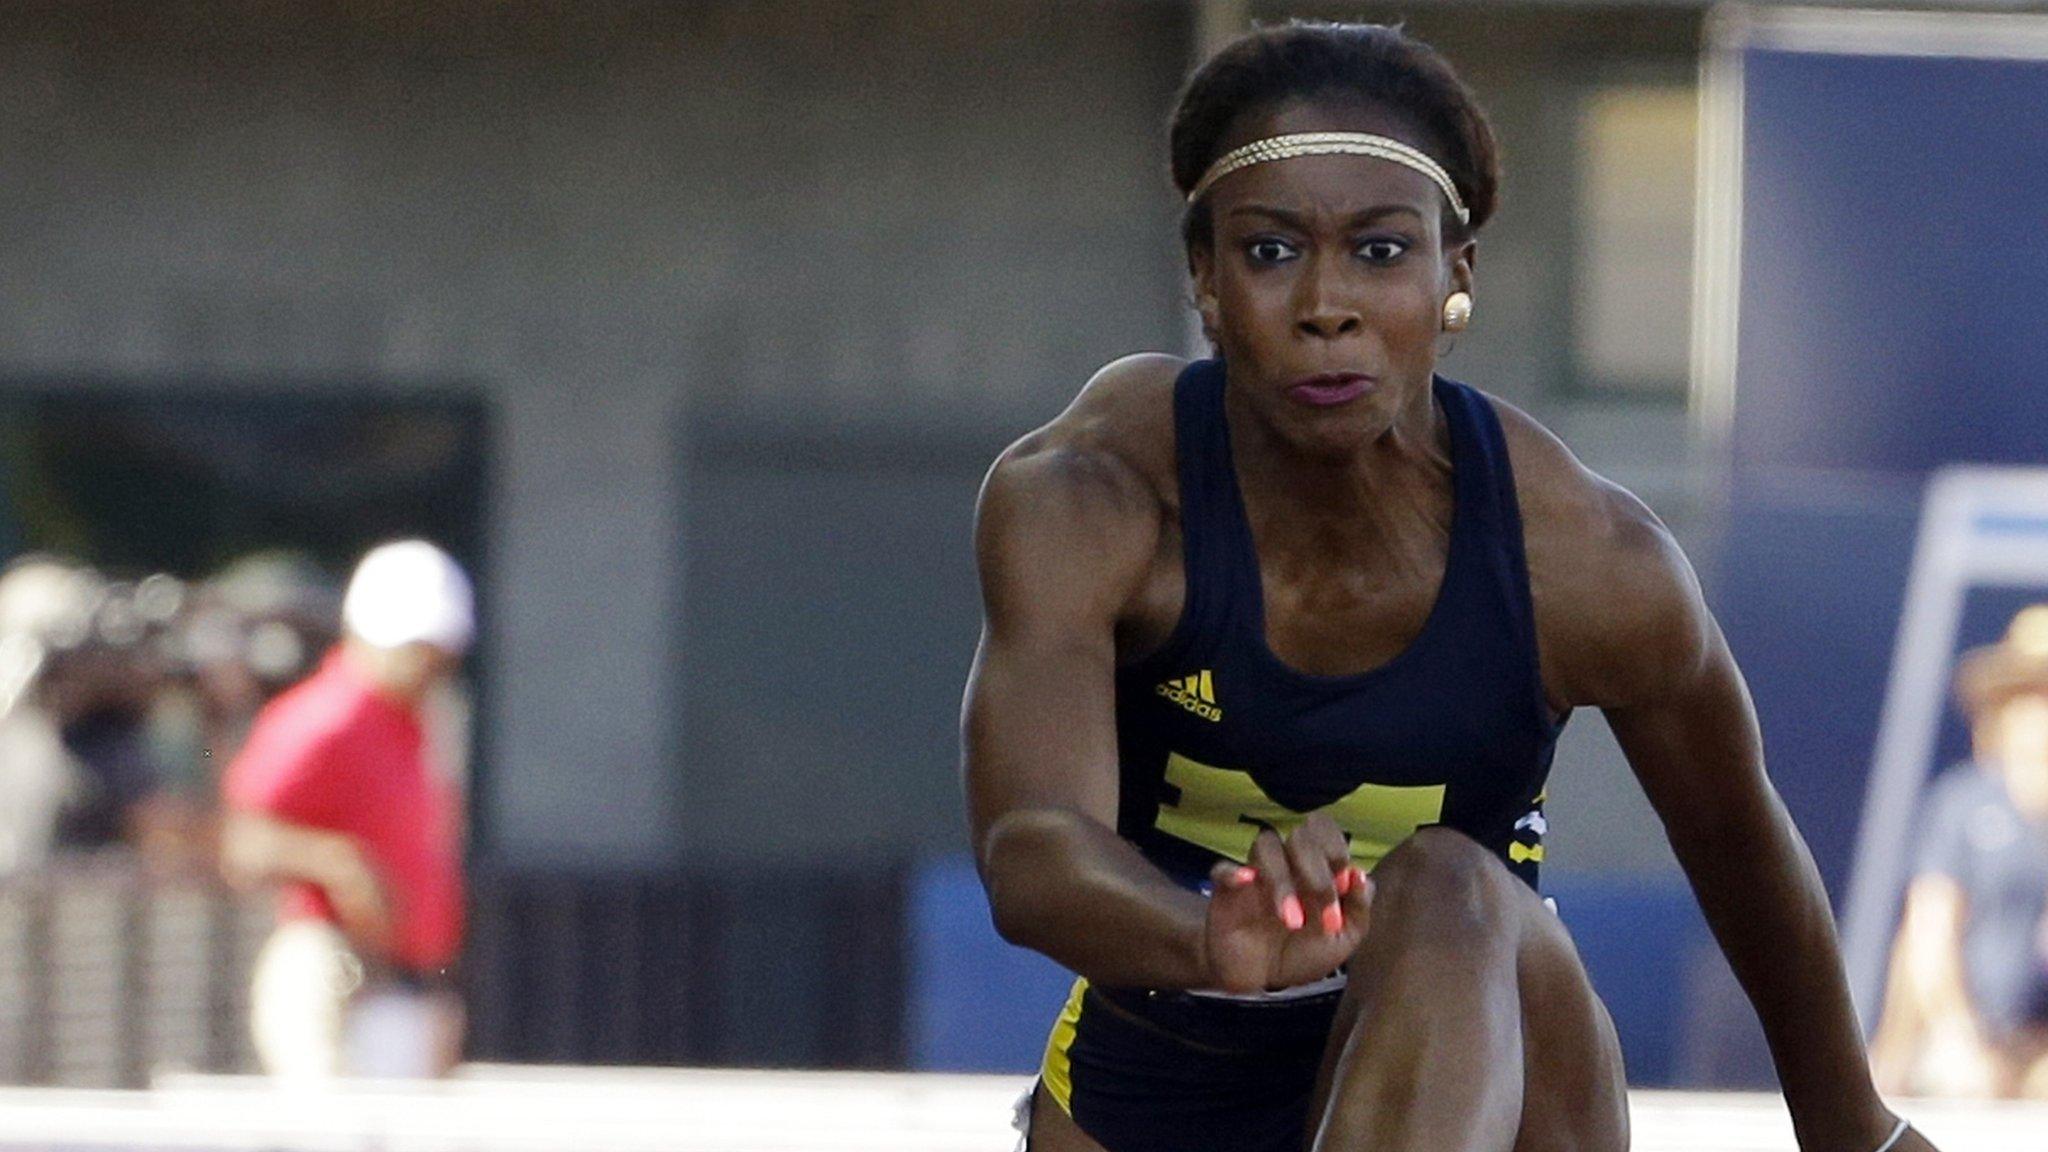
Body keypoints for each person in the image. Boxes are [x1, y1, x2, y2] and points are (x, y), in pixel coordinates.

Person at [961, 22, 1932, 1152]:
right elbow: (1030, 846)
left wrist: (1851, 1129)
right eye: (1270, 253)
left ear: (1452, 277)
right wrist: (1203, 938)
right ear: (1204, 283)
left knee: (1448, 889)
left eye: (1378, 253)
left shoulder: (1584, 563)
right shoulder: (1092, 495)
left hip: (1493, 1076)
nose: (1326, 306)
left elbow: (1735, 837)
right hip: (1167, 1064)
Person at [219, 539, 472, 1081]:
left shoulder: (419, 724)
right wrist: (334, 862)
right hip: (333, 967)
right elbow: (241, 839)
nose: (429, 667)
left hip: (406, 984)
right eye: (417, 649)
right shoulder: (325, 718)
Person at [1871, 605, 2048, 1099]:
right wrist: (1951, 1040)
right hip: (1973, 1041)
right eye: (2029, 693)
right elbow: (1927, 934)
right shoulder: (1965, 804)